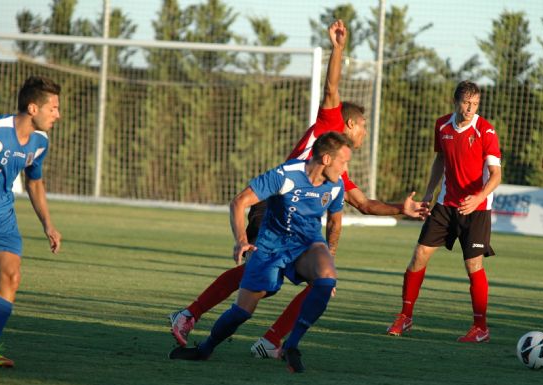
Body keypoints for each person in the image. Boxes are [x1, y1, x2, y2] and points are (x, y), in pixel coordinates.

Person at [168, 19, 429, 357]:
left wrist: (400, 209)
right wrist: (338, 49)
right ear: (350, 124)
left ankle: (265, 339)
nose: (365, 133)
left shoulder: (336, 168)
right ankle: (195, 317)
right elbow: (332, 88)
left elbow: (363, 203)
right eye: (364, 126)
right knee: (261, 282)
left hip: (298, 226)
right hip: (274, 206)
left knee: (320, 281)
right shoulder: (330, 124)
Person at [169, 132, 353, 373]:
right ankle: (205, 348)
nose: (346, 169)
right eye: (343, 162)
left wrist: (328, 257)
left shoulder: (336, 185)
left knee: (327, 279)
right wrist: (241, 241)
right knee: (242, 312)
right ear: (326, 159)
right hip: (271, 246)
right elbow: (239, 202)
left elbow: (334, 223)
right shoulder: (286, 175)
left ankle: (292, 345)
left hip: (306, 244)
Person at [386, 80, 502, 343]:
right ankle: (405, 316)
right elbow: (440, 159)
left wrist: (478, 197)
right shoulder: (442, 126)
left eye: (475, 104)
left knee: (473, 265)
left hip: (477, 208)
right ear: (455, 101)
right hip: (446, 204)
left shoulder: (486, 130)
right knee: (419, 255)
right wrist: (429, 193)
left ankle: (480, 328)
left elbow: (496, 174)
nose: (470, 109)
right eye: (466, 103)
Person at [0, 76, 62, 368]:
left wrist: (48, 224)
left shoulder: (40, 142)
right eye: (53, 108)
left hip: (1, 219)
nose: (58, 115)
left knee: (11, 277)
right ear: (33, 108)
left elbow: (34, 182)